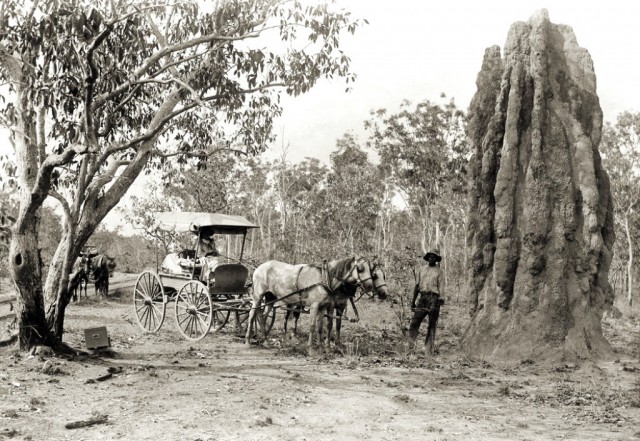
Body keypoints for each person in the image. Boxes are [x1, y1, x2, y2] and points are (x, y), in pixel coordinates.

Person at [409, 248, 445, 354]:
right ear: (427, 258)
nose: (431, 258)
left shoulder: (439, 271)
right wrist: (413, 301)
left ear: (436, 259)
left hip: (434, 298)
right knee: (414, 322)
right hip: (423, 297)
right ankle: (411, 347)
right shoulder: (421, 269)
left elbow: (441, 286)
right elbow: (417, 285)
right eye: (430, 256)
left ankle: (428, 350)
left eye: (434, 256)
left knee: (432, 325)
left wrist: (441, 298)